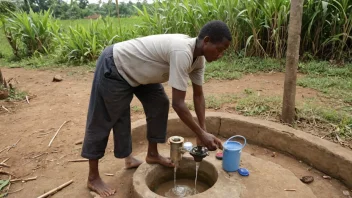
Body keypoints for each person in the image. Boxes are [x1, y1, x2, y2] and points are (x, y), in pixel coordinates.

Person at [81, 20, 232, 197]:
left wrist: (202, 132)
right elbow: (179, 103)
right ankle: (93, 177)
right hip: (116, 65)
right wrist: (201, 133)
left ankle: (152, 154)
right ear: (206, 41)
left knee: (159, 103)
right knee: (105, 117)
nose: (220, 54)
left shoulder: (198, 60)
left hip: (142, 73)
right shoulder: (182, 51)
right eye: (220, 49)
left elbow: (198, 96)